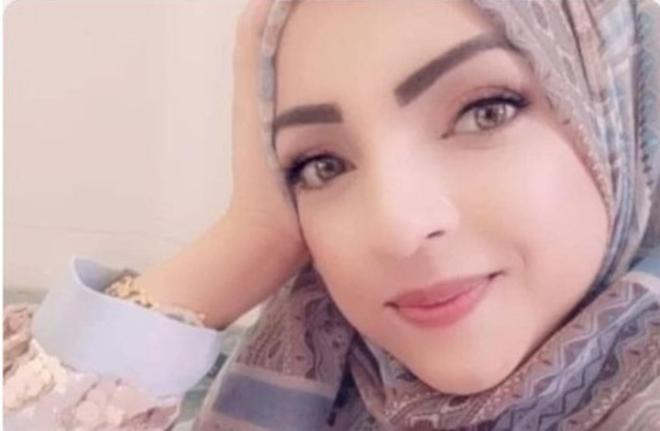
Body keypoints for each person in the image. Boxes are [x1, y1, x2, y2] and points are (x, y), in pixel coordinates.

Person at [4, 0, 660, 429]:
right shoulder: (317, 372)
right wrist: (250, 240)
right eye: (322, 165)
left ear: (620, 117)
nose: (397, 226)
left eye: (485, 112)